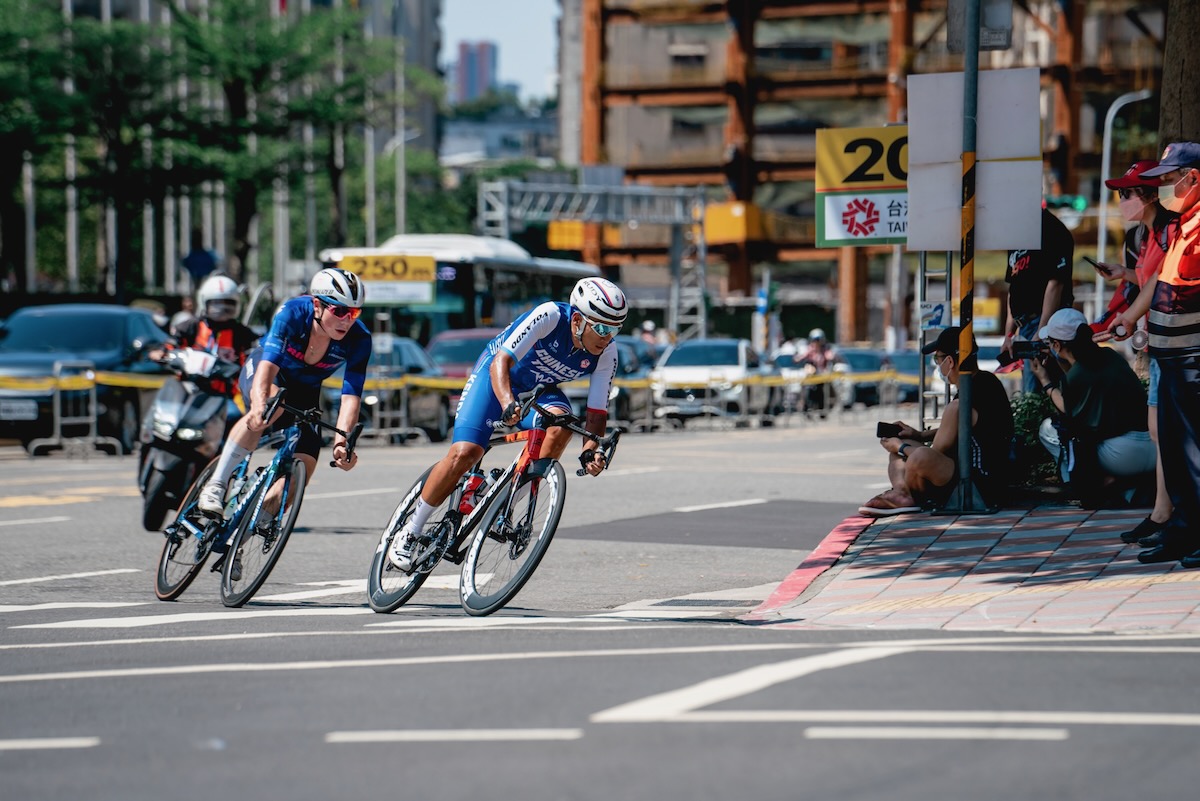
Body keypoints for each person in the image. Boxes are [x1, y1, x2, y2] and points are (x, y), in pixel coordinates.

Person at [388, 276, 626, 570]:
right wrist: (507, 403)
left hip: (537, 391)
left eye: (615, 328)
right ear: (578, 320)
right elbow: (500, 362)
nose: (607, 336)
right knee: (466, 453)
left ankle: (503, 500)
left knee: (561, 425)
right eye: (602, 327)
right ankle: (411, 531)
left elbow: (597, 412)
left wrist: (592, 449)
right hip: (496, 379)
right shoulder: (550, 316)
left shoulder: (607, 352)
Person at [196, 268, 371, 517]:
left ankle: (243, 537)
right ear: (318, 305)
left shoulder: (360, 338)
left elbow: (350, 397)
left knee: (303, 470)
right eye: (339, 311)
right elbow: (267, 368)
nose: (347, 320)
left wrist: (342, 442)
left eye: (353, 312)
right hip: (269, 371)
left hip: (307, 390)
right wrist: (258, 406)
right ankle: (216, 484)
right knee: (271, 406)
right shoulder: (293, 313)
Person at [1108, 142, 1200, 568]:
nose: (1161, 188)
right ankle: (1181, 529)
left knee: (1190, 449)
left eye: (1166, 180)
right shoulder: (1183, 226)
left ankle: (1186, 529)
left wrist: (1130, 317)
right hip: (1171, 356)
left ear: (1191, 178)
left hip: (1190, 358)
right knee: (1177, 448)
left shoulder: (1191, 226)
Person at [1093, 159, 1179, 542]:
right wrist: (1123, 274)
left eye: (1126, 193)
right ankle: (1164, 510)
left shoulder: (1167, 231)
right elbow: (1148, 279)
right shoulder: (1146, 236)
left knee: (1167, 429)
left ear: (1146, 194)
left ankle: (1169, 512)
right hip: (1160, 340)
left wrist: (1127, 317)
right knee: (1160, 429)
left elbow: (1160, 283)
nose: (1122, 200)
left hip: (1175, 341)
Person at [859, 326, 1013, 517]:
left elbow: (934, 454)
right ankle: (902, 494)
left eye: (937, 359)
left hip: (977, 481)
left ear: (950, 361)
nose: (937, 366)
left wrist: (900, 447)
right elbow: (967, 429)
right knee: (906, 449)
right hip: (992, 474)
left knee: (916, 456)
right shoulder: (987, 381)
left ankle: (905, 495)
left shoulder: (959, 404)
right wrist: (919, 435)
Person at [1029, 308, 1155, 508]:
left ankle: (1085, 486)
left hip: (1121, 456)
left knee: (1051, 429)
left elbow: (1065, 407)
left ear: (1056, 344)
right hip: (1153, 447)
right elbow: (1080, 375)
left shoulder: (1078, 374)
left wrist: (1045, 381)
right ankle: (1127, 487)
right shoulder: (1109, 355)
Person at [152, 276, 259, 427]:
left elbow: (252, 358)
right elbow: (171, 345)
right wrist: (161, 353)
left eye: (228, 304)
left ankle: (226, 450)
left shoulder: (243, 333)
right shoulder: (190, 326)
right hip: (187, 390)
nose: (222, 309)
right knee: (162, 417)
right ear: (204, 302)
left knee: (234, 417)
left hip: (223, 395)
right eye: (216, 304)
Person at [1001, 206, 1076, 394]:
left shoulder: (1052, 229)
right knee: (1032, 391)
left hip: (1042, 322)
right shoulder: (1019, 233)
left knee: (1037, 392)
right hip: (1025, 325)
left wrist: (1041, 331)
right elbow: (1013, 286)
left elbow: (1056, 284)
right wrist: (1009, 335)